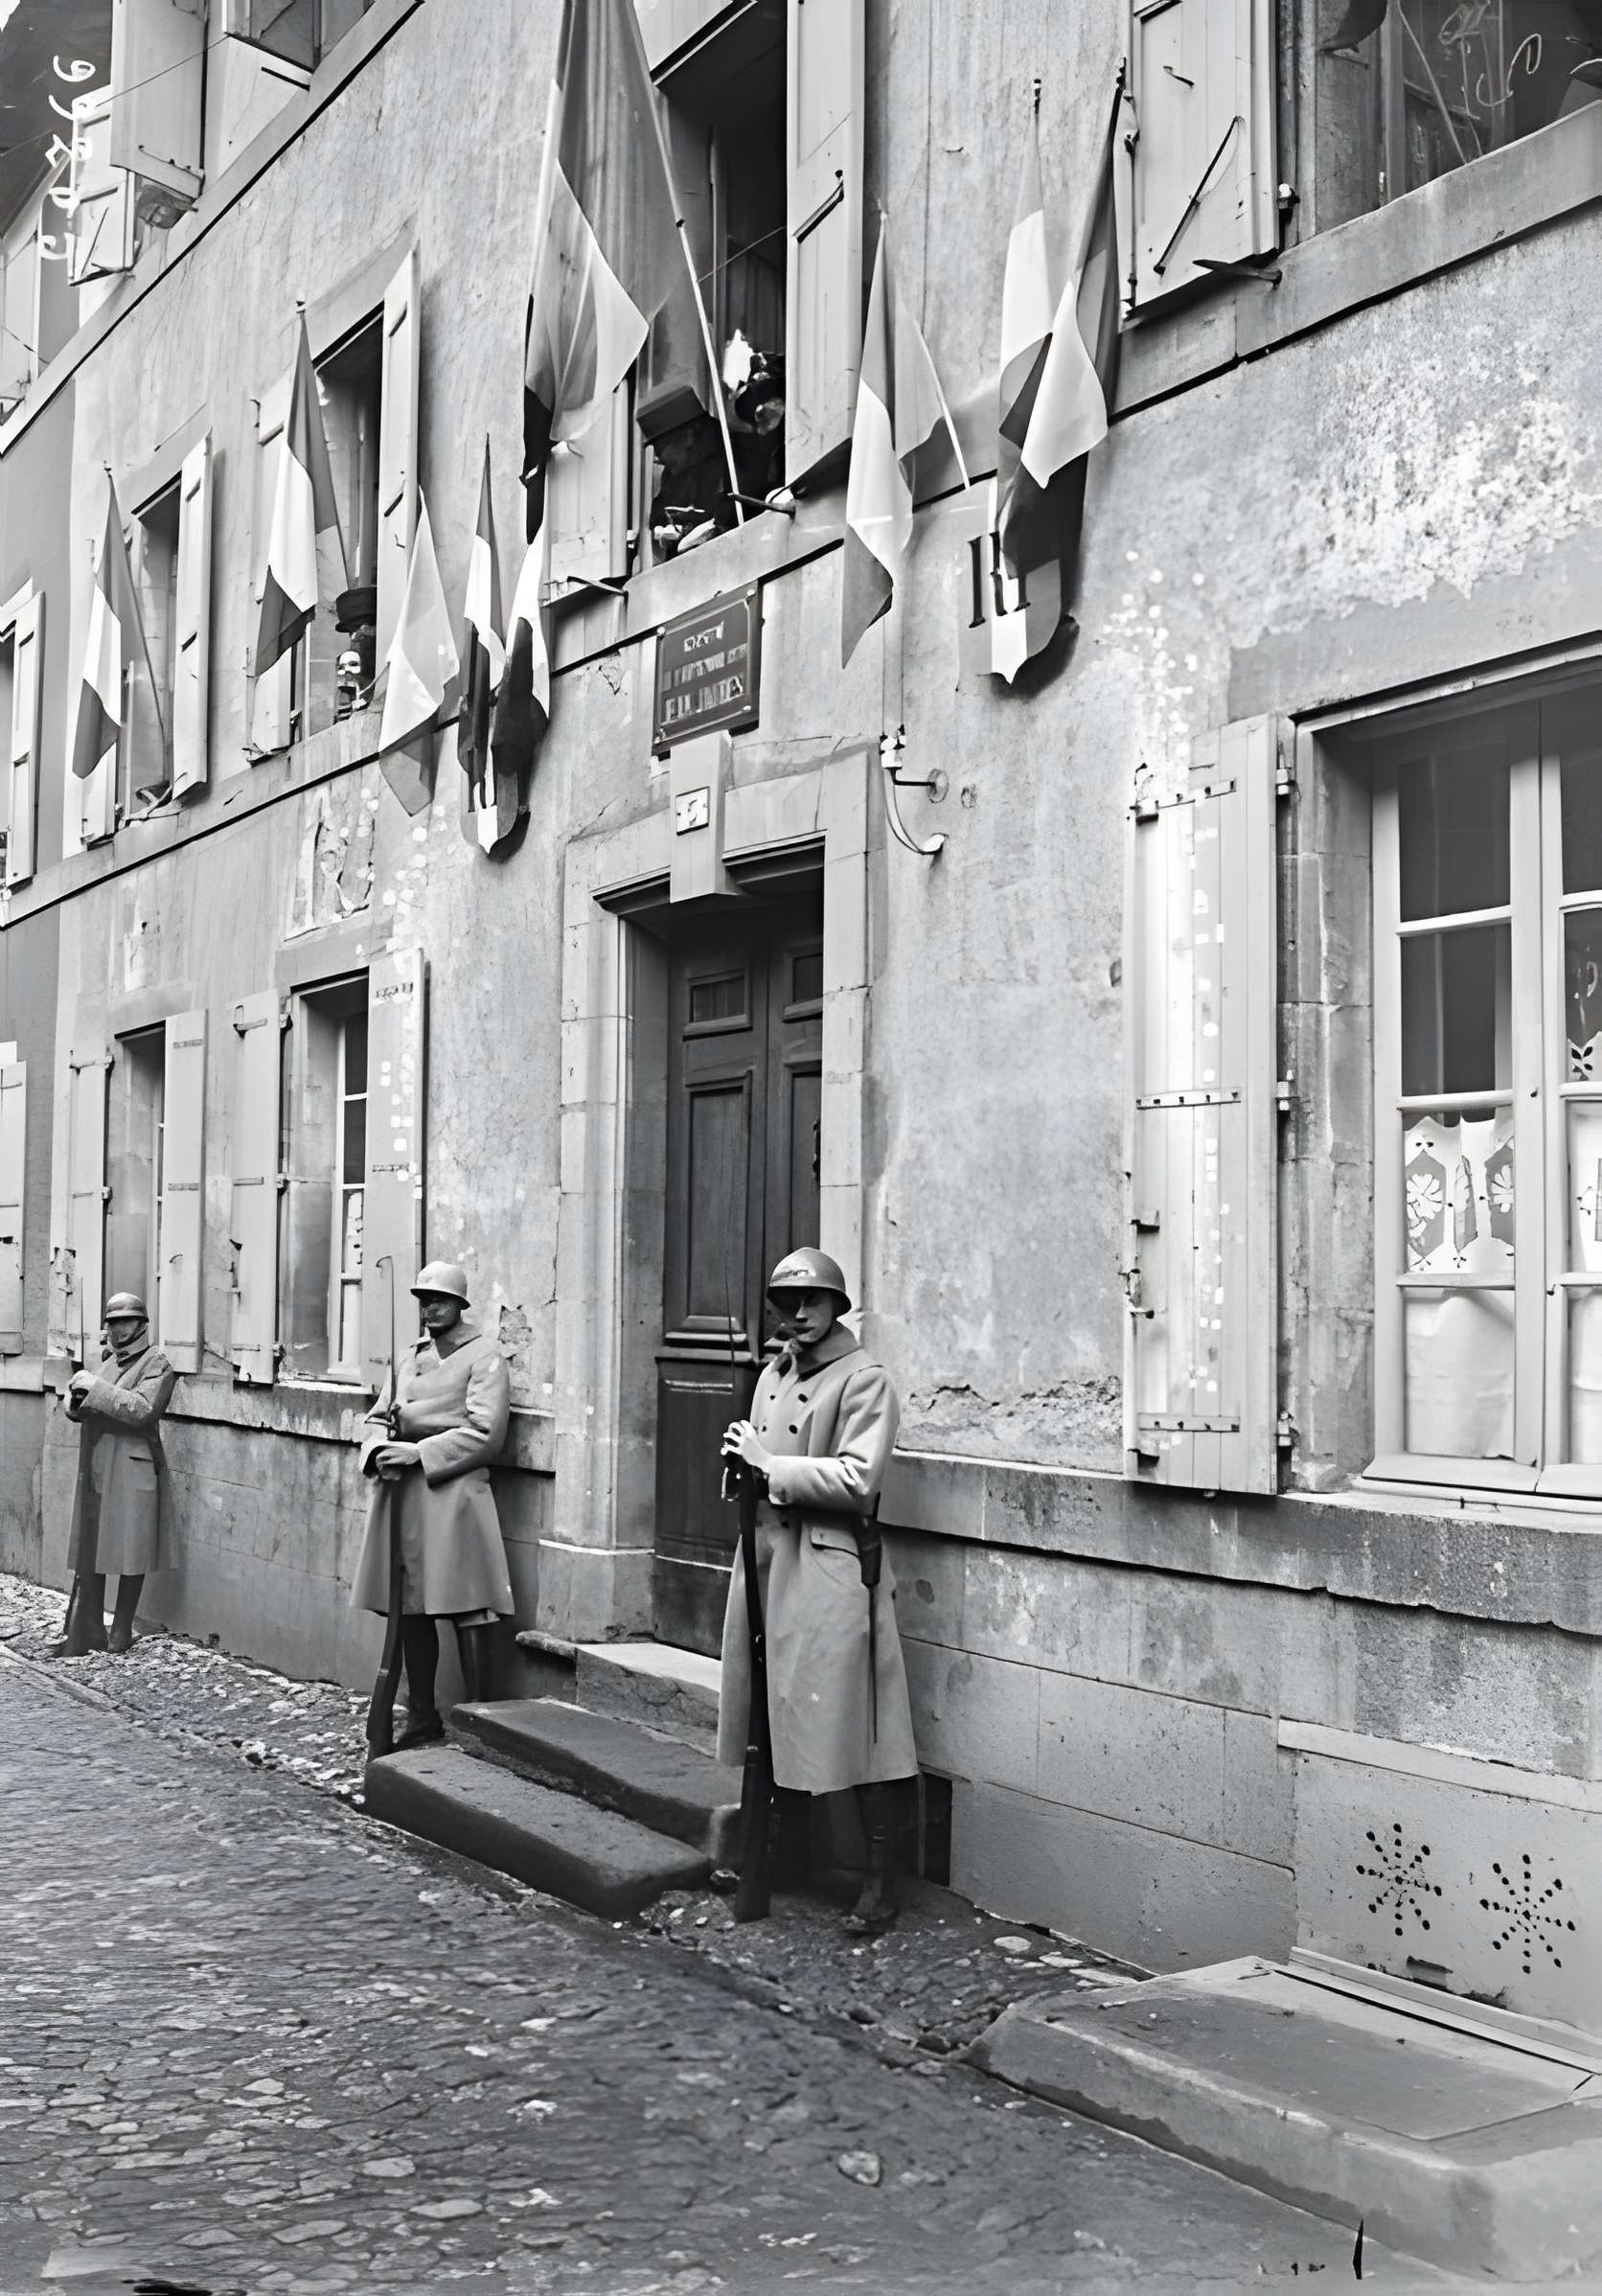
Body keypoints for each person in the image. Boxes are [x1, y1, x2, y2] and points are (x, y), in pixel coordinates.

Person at [718, 1249, 918, 1937]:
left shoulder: (865, 1380)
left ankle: (882, 1881)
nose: (797, 1314)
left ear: (839, 1306)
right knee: (773, 1716)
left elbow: (860, 1478)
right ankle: (783, 1854)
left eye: (811, 1301)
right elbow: (761, 1459)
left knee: (860, 1721)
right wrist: (741, 1462)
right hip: (771, 1558)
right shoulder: (772, 1373)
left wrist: (771, 1466)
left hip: (831, 1564)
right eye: (785, 1302)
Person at [350, 1260, 513, 1748]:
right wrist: (377, 1450)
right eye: (423, 1299)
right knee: (412, 1609)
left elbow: (487, 1433)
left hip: (455, 1493)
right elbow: (379, 1415)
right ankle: (422, 1714)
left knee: (468, 1605)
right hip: (405, 1498)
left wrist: (419, 1451)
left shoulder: (485, 1356)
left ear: (461, 1304)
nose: (430, 1307)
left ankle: (482, 1722)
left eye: (440, 1299)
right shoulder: (407, 1357)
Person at [51, 1292, 176, 1659]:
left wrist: (94, 1388)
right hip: (99, 1463)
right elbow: (84, 1405)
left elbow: (143, 1410)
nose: (117, 1330)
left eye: (125, 1322)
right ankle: (90, 1628)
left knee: (130, 1550)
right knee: (94, 1547)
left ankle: (121, 1631)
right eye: (112, 1323)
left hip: (135, 1464)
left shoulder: (159, 1364)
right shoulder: (106, 1363)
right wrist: (72, 1400)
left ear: (142, 1323)